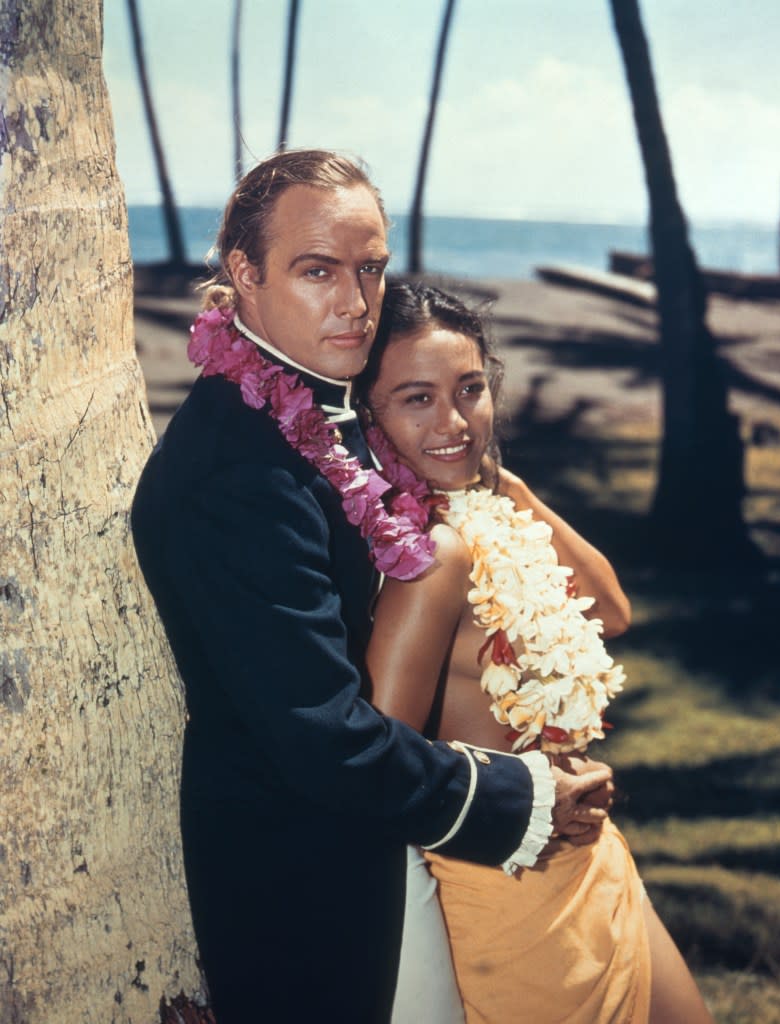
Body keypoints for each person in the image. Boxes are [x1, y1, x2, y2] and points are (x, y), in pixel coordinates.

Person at [130, 150, 615, 1023]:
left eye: (370, 268)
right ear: (244, 274)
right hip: (306, 877)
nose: (355, 303)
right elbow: (324, 737)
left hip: (375, 835)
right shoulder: (236, 470)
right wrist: (523, 795)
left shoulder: (316, 413)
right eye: (317, 270)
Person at [359, 281, 716, 1024]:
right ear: (369, 417)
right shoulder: (426, 559)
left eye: (469, 390)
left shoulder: (491, 513)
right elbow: (378, 764)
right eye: (415, 399)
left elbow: (611, 611)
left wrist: (509, 487)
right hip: (511, 891)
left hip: (593, 855)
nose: (454, 422)